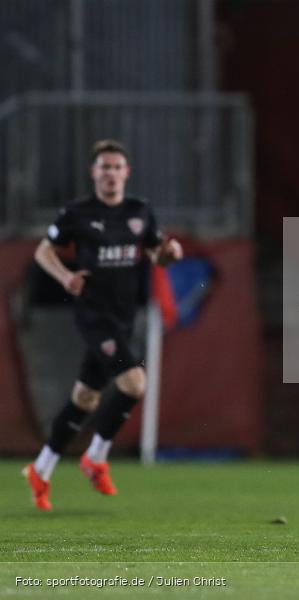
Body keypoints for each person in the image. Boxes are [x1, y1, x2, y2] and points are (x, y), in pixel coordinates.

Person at [23, 139, 183, 511]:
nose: (110, 173)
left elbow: (158, 256)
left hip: (125, 315)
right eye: (104, 167)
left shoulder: (140, 211)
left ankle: (41, 469)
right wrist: (64, 277)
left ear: (127, 173)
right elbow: (42, 251)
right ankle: (96, 457)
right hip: (94, 315)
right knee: (134, 383)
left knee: (86, 398)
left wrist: (170, 255)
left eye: (116, 167)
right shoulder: (78, 213)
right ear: (94, 173)